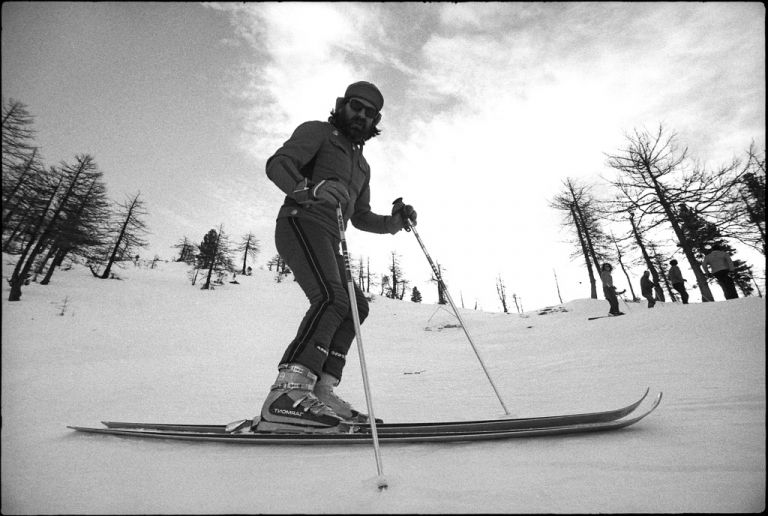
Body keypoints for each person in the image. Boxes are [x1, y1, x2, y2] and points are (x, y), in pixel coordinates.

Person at [259, 81, 417, 433]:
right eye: (356, 106)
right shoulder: (318, 132)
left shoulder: (362, 166)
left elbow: (360, 216)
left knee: (355, 306)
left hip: (333, 236)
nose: (362, 115)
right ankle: (287, 394)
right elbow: (278, 164)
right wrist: (309, 189)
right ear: (342, 105)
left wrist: (392, 223)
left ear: (375, 120)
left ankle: (320, 390)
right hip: (301, 221)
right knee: (331, 298)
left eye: (370, 112)